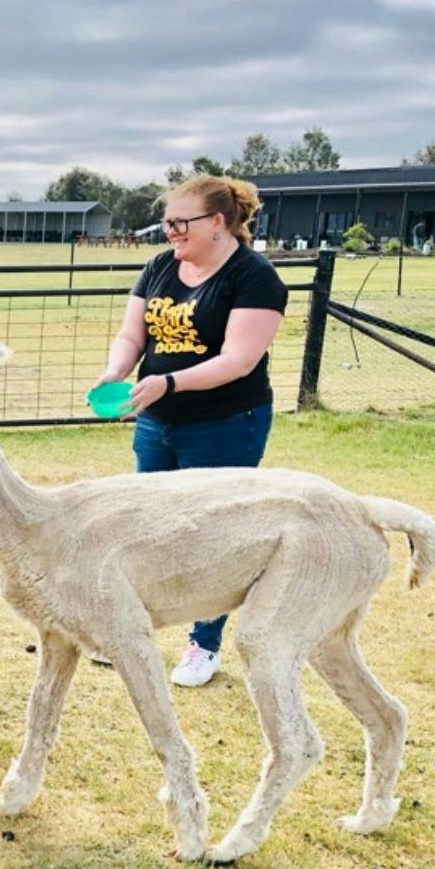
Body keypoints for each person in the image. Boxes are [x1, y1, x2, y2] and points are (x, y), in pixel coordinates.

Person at [92, 173, 287, 688]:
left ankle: (204, 643)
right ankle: (134, 634)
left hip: (226, 423)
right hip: (159, 421)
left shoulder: (254, 276)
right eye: (167, 223)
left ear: (217, 222)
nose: (170, 233)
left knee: (213, 536)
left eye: (180, 223)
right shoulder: (160, 266)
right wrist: (116, 372)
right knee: (146, 526)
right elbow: (132, 333)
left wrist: (169, 382)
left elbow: (239, 360)